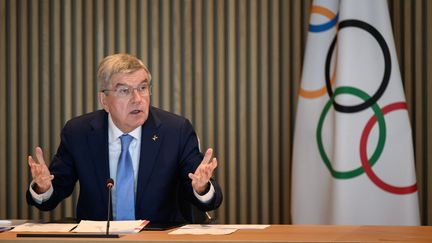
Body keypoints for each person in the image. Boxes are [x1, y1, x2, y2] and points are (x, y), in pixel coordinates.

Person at [26, 53, 223, 222]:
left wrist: (202, 187)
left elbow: (204, 193)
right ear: (104, 100)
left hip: (158, 238)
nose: (137, 99)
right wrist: (44, 187)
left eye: (143, 88)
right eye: (124, 91)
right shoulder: (79, 132)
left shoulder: (175, 131)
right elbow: (54, 192)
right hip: (99, 240)